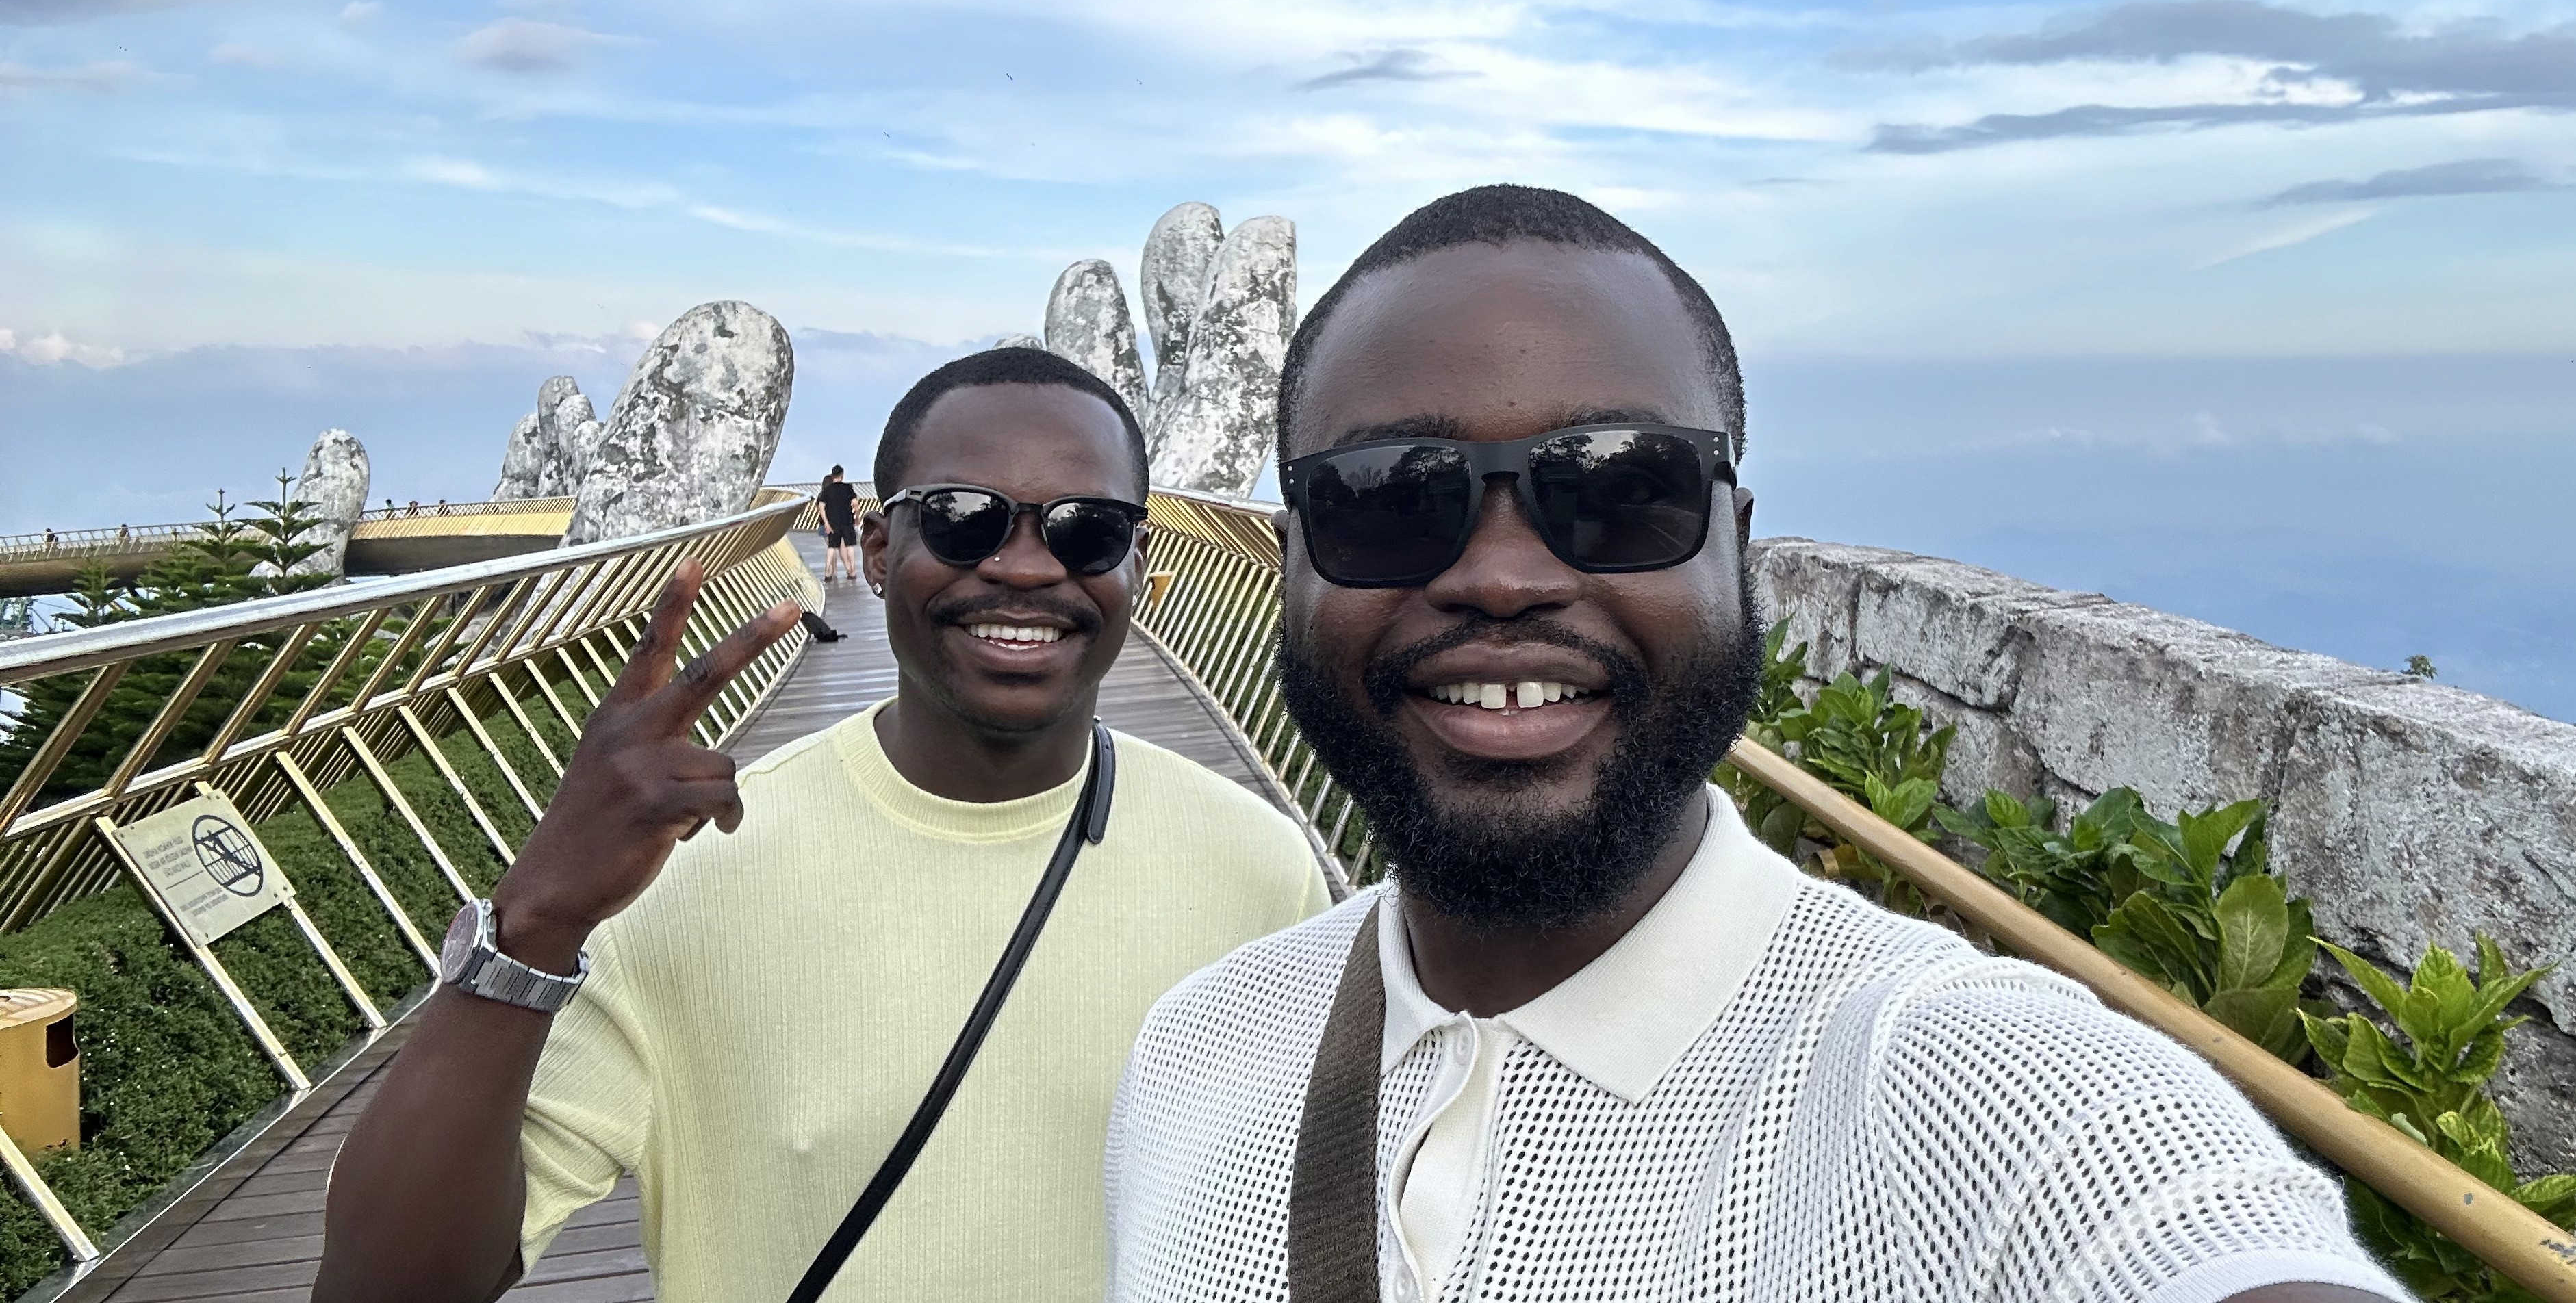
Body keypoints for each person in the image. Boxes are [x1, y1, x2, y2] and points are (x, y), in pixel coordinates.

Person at [1105, 187, 2408, 1303]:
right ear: (1291, 560)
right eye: (1388, 496)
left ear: (1737, 548)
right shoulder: (1189, 1052)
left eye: (1620, 487)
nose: (1502, 576)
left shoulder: (1985, 1095)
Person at [318, 347, 1331, 1303]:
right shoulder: (680, 872)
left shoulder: (1257, 866)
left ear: (1138, 564)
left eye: (1087, 529)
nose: (1027, 568)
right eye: (964, 520)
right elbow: (386, 1285)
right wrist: (538, 914)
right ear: (880, 551)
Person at [819, 465, 863, 583]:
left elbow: (821, 507)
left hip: (833, 523)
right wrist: (858, 517)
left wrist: (827, 523)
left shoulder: (827, 490)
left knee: (832, 547)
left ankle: (827, 572)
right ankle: (852, 572)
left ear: (833, 475)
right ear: (842, 475)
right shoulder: (848, 488)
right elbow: (855, 504)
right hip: (847, 522)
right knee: (850, 546)